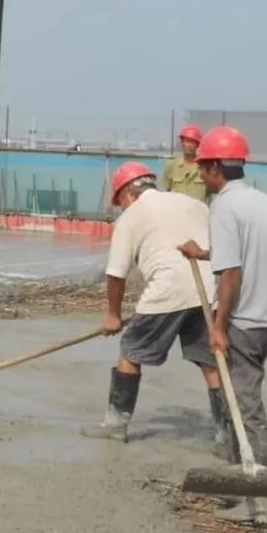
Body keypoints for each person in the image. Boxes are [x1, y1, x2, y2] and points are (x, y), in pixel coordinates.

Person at [178, 126, 267, 527]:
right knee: (240, 402)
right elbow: (240, 252)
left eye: (203, 166)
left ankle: (260, 501)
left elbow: (233, 273)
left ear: (216, 168)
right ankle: (243, 484)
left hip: (243, 320)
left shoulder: (222, 206)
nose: (200, 173)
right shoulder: (258, 200)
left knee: (245, 409)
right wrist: (203, 253)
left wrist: (219, 326)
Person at [82, 161, 219, 445]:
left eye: (120, 201)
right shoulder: (193, 204)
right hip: (210, 288)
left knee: (131, 351)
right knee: (212, 362)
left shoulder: (131, 217)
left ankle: (115, 425)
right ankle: (226, 434)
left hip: (167, 290)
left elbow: (116, 273)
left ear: (128, 193)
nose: (121, 207)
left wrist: (113, 316)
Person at [161, 123, 227, 450]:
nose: (189, 146)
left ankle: (224, 427)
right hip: (175, 236)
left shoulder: (207, 171)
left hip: (198, 236)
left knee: (207, 355)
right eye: (185, 141)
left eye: (193, 142)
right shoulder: (172, 167)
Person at [162, 125, 209, 202]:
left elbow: (210, 191)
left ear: (197, 144)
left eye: (192, 142)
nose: (189, 145)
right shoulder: (172, 165)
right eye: (187, 141)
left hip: (197, 208)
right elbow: (168, 189)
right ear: (182, 143)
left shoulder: (204, 166)